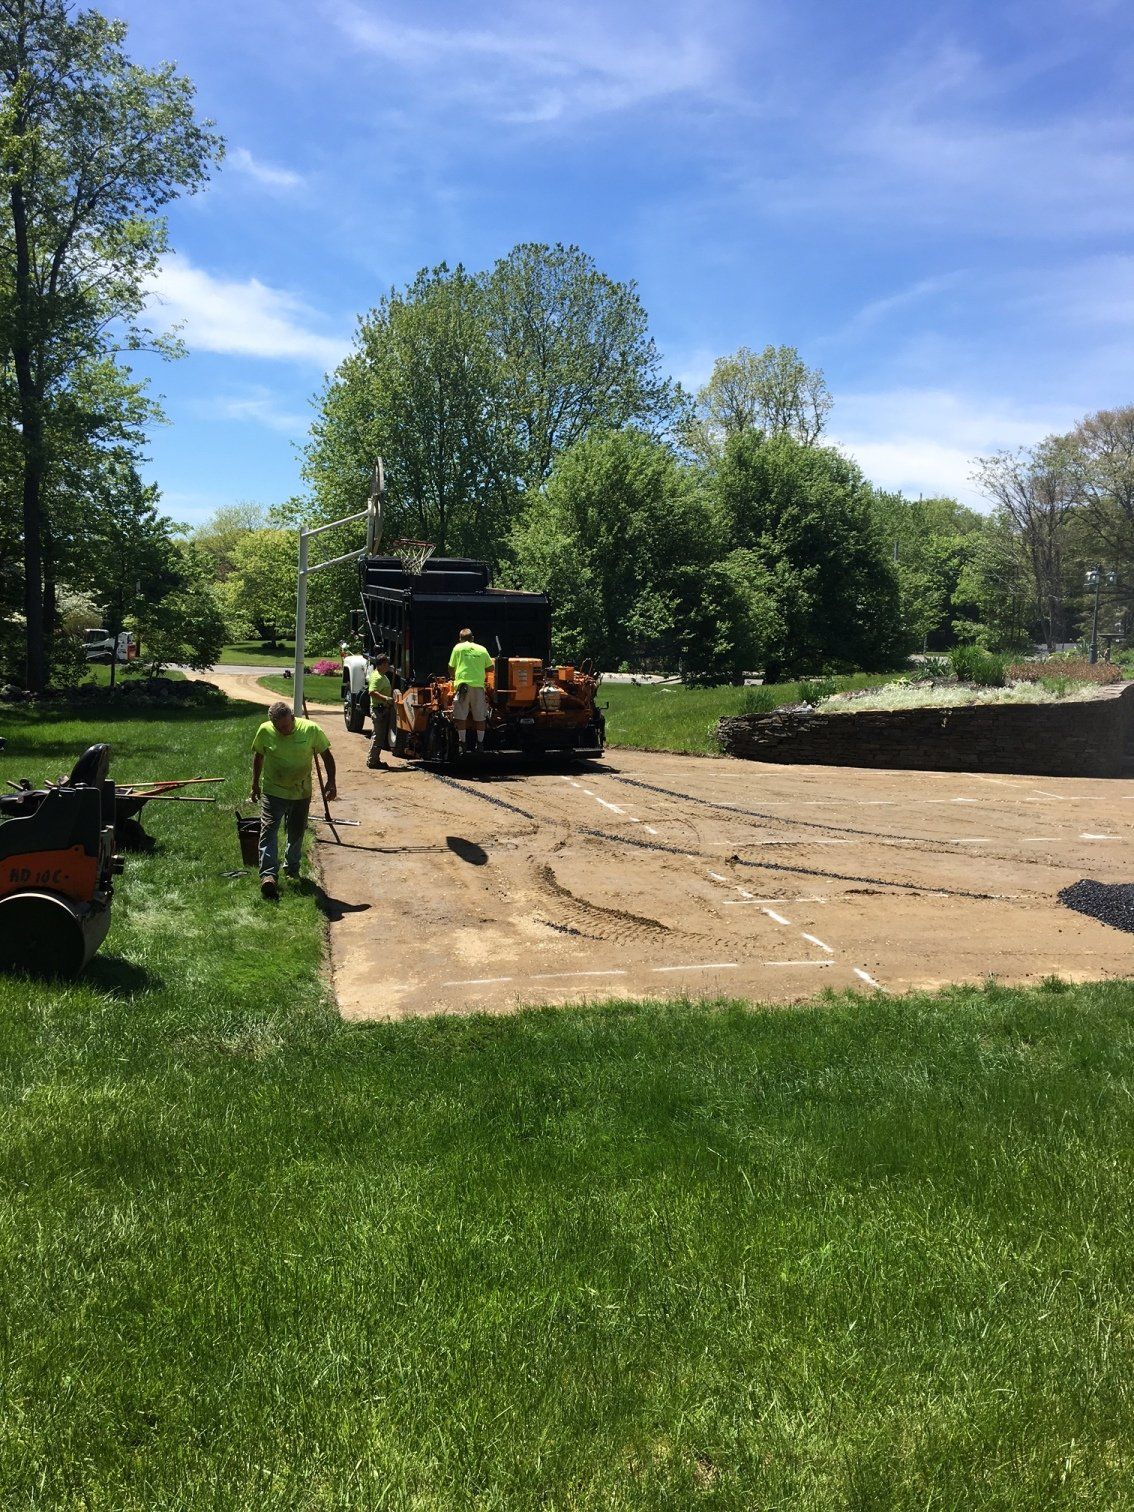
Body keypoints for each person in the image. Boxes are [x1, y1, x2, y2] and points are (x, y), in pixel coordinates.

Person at [250, 700, 337, 899]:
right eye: (279, 728)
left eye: (287, 725)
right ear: (272, 724)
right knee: (269, 830)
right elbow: (259, 756)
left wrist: (331, 782)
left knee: (296, 831)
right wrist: (255, 784)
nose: (285, 730)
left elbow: (326, 755)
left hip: (301, 792)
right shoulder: (264, 731)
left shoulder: (311, 729)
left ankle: (291, 868)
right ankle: (268, 876)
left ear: (292, 717)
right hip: (274, 790)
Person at [448, 627, 493, 750]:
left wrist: (453, 677)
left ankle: (462, 743)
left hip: (463, 686)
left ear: (460, 639)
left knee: (460, 715)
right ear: (473, 638)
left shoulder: (458, 648)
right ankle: (480, 743)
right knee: (480, 716)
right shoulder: (482, 649)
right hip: (478, 687)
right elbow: (491, 667)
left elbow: (451, 667)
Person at [366, 653, 394, 770]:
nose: (388, 665)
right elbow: (372, 692)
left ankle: (374, 759)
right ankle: (372, 761)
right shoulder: (377, 677)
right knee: (378, 736)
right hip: (379, 710)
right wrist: (386, 698)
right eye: (387, 663)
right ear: (381, 664)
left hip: (381, 709)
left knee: (379, 735)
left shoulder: (381, 675)